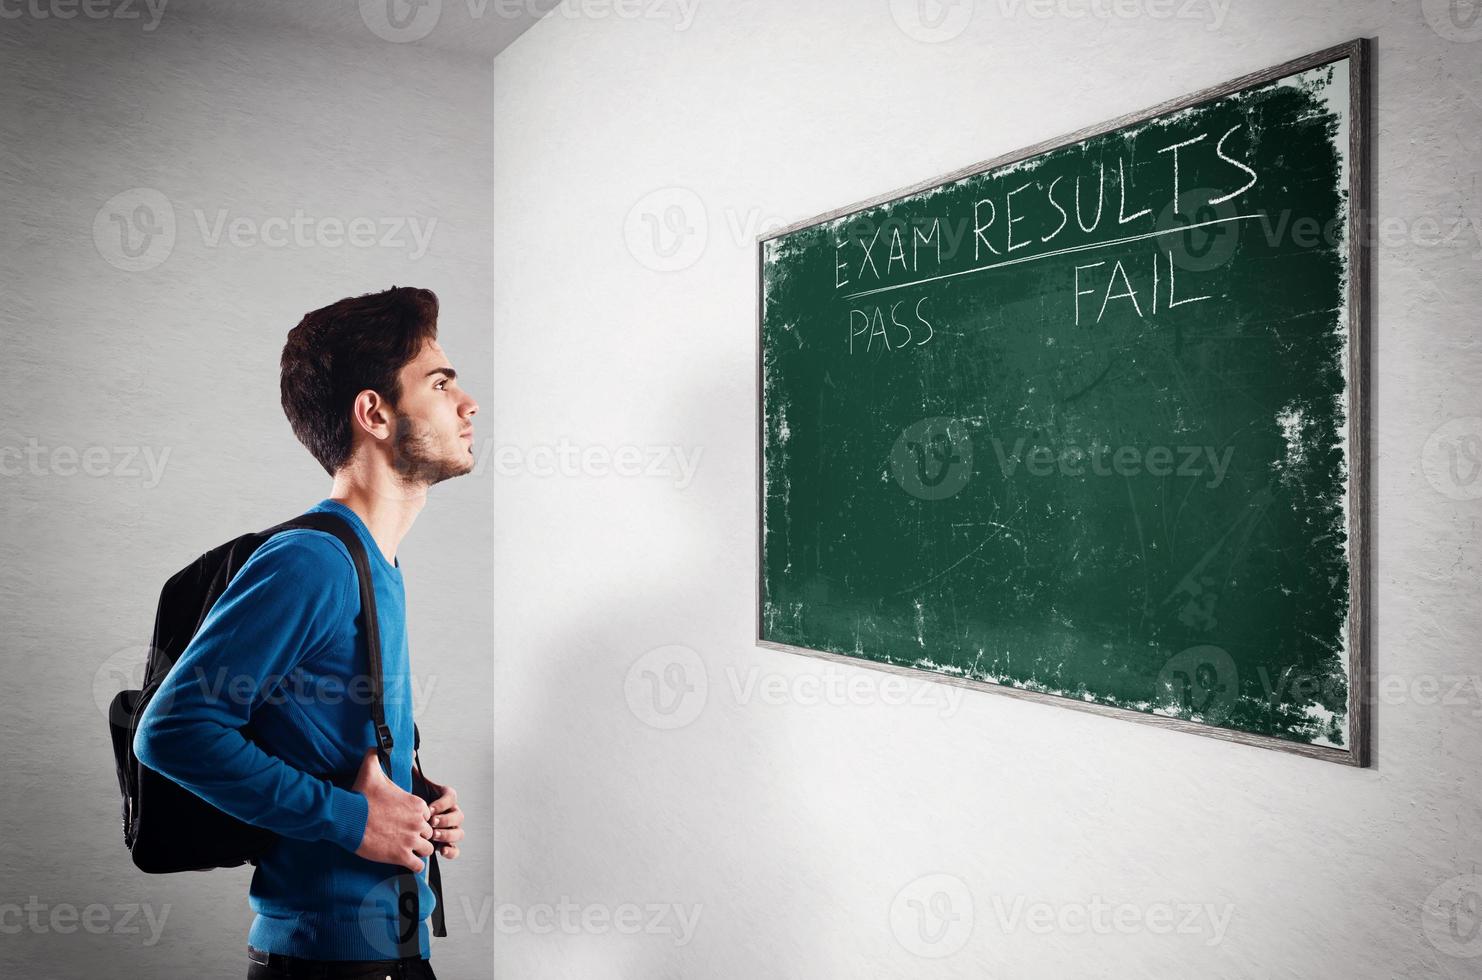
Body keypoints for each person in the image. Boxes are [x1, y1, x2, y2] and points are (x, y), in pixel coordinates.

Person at [133, 286, 477, 979]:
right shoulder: (314, 562)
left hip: (391, 954)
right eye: (440, 383)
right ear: (373, 412)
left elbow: (327, 734)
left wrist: (414, 794)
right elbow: (171, 730)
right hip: (326, 963)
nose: (467, 404)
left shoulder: (376, 559)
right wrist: (354, 822)